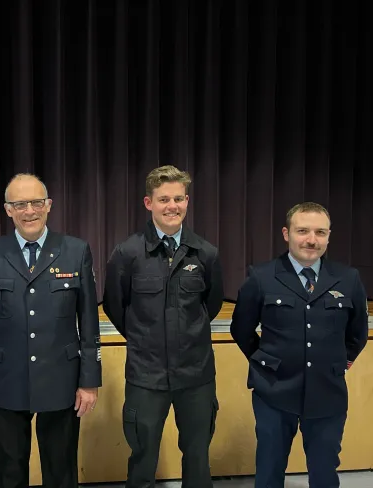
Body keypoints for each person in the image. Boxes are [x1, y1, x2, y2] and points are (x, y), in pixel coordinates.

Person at [0, 173, 102, 488]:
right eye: (20, 204)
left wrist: (89, 381)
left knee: (61, 469)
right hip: (5, 381)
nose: (30, 211)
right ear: (8, 209)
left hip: (62, 379)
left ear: (49, 205)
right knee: (7, 473)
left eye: (37, 203)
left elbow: (89, 321)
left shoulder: (75, 250)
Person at [230, 202, 369, 488]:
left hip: (327, 391)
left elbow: (357, 332)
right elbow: (241, 329)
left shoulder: (348, 278)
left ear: (329, 236)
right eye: (302, 230)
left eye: (320, 232)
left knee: (325, 472)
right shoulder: (262, 276)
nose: (311, 240)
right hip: (274, 390)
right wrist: (265, 361)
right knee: (269, 469)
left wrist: (339, 361)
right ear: (286, 233)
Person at [103, 165, 223, 488]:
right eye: (164, 199)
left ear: (187, 201)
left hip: (196, 377)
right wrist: (145, 339)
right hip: (146, 376)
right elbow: (116, 307)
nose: (173, 206)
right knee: (142, 458)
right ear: (148, 203)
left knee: (198, 458)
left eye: (179, 198)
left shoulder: (206, 253)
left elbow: (210, 306)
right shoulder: (127, 254)